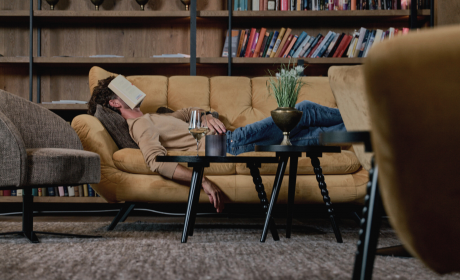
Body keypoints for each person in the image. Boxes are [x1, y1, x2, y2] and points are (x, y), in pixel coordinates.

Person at [88, 76, 346, 213]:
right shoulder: (141, 125)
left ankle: (372, 126)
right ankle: (363, 114)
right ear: (115, 103)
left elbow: (190, 111)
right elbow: (155, 161)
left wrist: (208, 116)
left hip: (232, 138)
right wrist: (204, 182)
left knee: (316, 135)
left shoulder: (154, 117)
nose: (133, 87)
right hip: (232, 142)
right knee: (304, 111)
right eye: (125, 88)